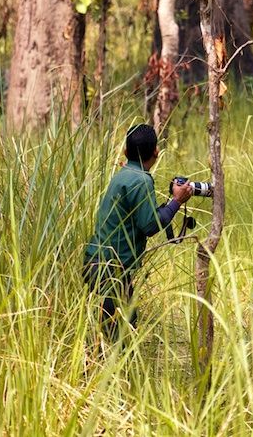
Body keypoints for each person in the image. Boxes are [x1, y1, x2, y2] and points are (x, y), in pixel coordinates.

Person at [83, 124, 193, 335]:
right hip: (111, 269)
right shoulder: (142, 180)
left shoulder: (123, 175)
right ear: (156, 153)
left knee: (109, 331)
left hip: (97, 263)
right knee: (120, 335)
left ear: (126, 152)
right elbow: (151, 226)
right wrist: (177, 201)